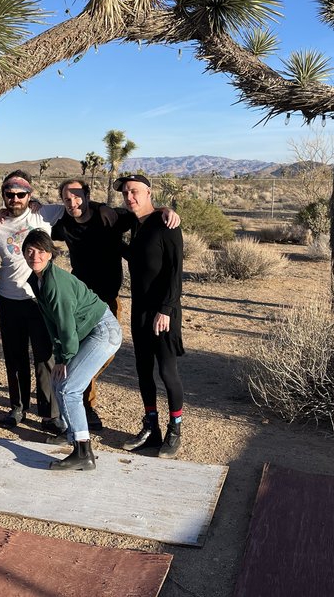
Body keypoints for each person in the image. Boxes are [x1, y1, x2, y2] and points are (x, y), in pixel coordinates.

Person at [52, 179, 181, 430]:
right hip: (80, 300)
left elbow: (143, 212)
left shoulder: (110, 216)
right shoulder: (64, 224)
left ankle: (77, 386)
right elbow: (36, 222)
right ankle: (85, 405)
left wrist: (166, 209)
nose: (73, 202)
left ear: (88, 196)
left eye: (78, 196)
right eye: (67, 198)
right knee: (81, 350)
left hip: (109, 298)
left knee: (104, 353)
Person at [22, 229, 121, 471]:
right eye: (30, 250)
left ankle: (83, 452)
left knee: (68, 389)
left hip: (102, 331)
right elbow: (51, 322)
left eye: (41, 250)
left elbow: (65, 326)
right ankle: (71, 432)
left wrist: (64, 358)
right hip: (87, 331)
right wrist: (60, 357)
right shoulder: (37, 279)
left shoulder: (55, 283)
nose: (35, 255)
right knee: (59, 381)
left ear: (50, 254)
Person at [0, 169, 66, 432]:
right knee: (15, 356)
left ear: (29, 195)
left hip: (39, 300)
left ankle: (50, 414)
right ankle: (18, 407)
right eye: (9, 194)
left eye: (21, 194)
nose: (15, 199)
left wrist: (158, 210)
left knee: (45, 358)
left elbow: (78, 206)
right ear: (4, 196)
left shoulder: (42, 214)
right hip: (9, 300)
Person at [116, 173, 186, 459]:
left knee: (167, 371)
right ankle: (151, 428)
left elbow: (175, 270)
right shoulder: (136, 223)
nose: (129, 197)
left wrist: (167, 309)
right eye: (125, 193)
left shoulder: (167, 224)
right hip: (140, 310)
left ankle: (175, 430)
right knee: (143, 370)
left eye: (134, 191)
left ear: (148, 192)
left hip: (163, 312)